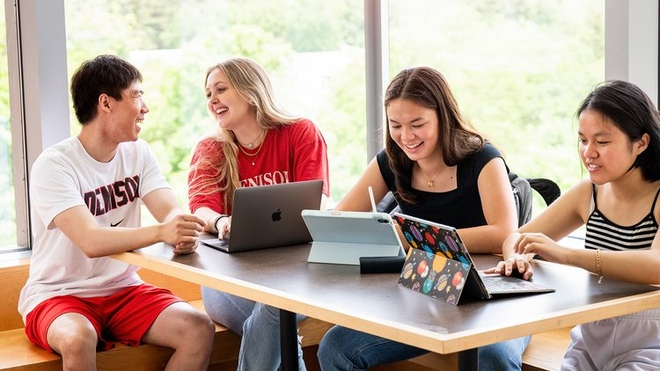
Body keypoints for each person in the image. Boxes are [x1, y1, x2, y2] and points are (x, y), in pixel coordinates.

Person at [316, 66, 527, 371]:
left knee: (493, 357)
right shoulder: (392, 161)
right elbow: (341, 220)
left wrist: (417, 238)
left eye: (417, 124)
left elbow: (504, 232)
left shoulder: (483, 158)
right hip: (429, 289)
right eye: (395, 125)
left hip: (493, 292)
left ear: (443, 116)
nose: (406, 136)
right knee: (337, 348)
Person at [17, 55, 215, 371]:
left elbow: (168, 210)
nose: (146, 108)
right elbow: (90, 241)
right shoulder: (54, 165)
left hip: (123, 290)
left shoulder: (138, 152)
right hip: (58, 295)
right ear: (106, 103)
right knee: (78, 338)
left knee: (198, 328)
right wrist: (163, 232)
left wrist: (182, 231)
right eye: (138, 96)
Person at [489, 80, 660, 370]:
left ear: (641, 142)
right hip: (590, 337)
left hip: (650, 342)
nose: (588, 152)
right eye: (583, 140)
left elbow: (655, 265)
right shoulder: (588, 193)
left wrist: (566, 255)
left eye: (602, 142)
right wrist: (516, 257)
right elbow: (517, 236)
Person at [188, 57, 330, 371]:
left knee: (276, 307)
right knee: (278, 314)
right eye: (208, 94)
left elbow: (315, 203)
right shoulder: (210, 149)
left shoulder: (300, 133)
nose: (212, 100)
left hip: (295, 272)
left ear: (250, 91)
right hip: (227, 278)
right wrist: (222, 221)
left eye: (221, 89)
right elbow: (201, 208)